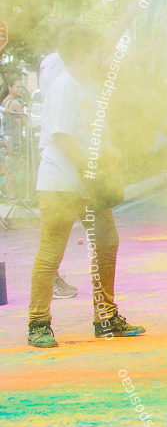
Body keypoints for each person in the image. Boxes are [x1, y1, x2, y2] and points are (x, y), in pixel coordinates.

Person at [27, 26, 147, 348]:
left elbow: (96, 131)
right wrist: (91, 167)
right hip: (61, 182)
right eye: (97, 51)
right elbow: (61, 136)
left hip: (87, 180)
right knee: (51, 254)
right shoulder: (64, 86)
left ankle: (105, 317)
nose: (102, 56)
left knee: (107, 242)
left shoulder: (92, 86)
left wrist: (109, 152)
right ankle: (38, 323)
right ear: (82, 55)